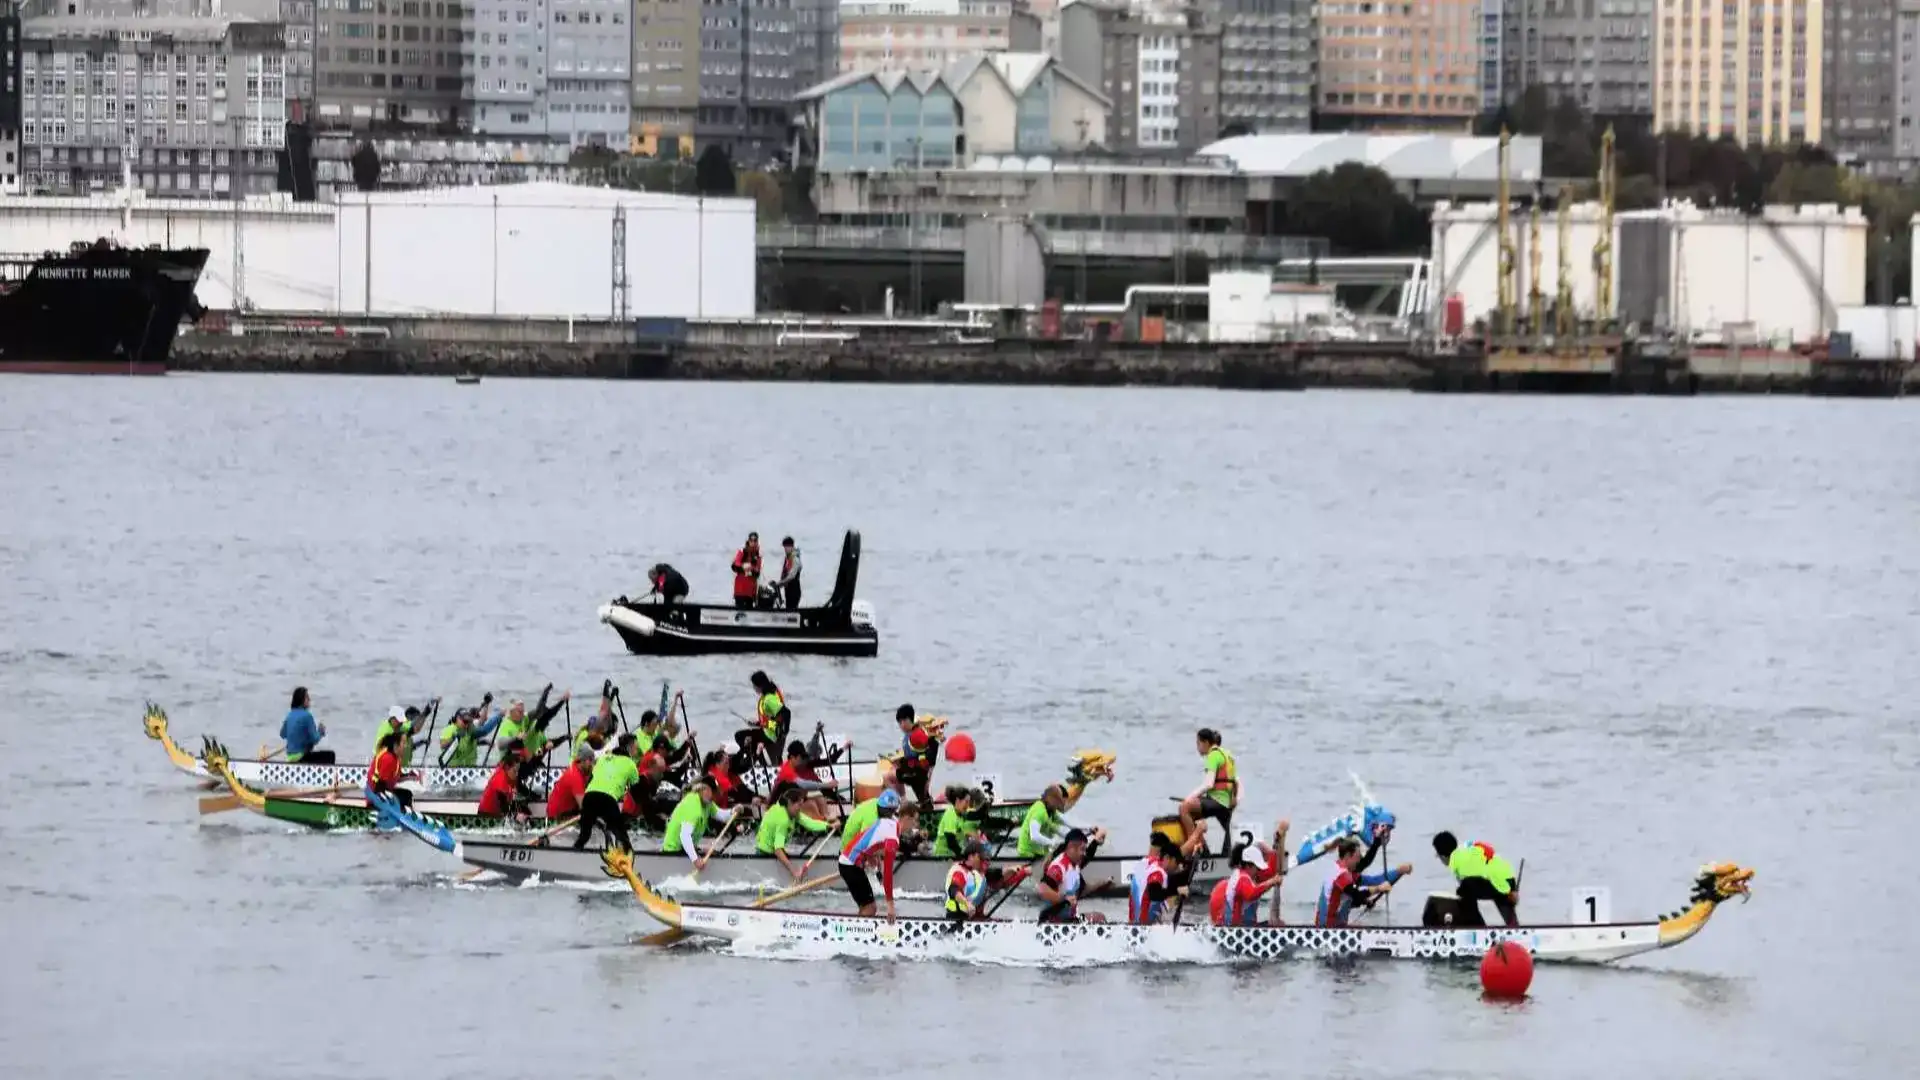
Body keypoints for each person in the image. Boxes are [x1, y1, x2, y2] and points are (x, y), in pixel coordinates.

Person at [1316, 837, 1411, 927]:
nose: (1359, 860)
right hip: (1327, 930)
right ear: (1348, 856)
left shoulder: (1348, 873)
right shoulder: (1340, 874)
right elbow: (1356, 895)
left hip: (1337, 928)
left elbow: (1374, 881)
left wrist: (1399, 871)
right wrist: (1378, 889)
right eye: (1357, 857)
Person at [838, 788, 902, 919]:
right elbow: (888, 873)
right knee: (870, 908)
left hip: (848, 859)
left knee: (866, 906)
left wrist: (870, 858)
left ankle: (858, 929)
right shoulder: (892, 836)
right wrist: (890, 905)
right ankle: (856, 934)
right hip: (849, 864)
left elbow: (868, 844)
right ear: (895, 810)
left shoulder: (889, 822)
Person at [1433, 831, 1519, 927]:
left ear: (1443, 856)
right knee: (1472, 887)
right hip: (1507, 879)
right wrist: (1512, 889)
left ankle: (1477, 927)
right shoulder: (1465, 849)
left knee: (1464, 891)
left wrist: (1510, 892)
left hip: (1500, 883)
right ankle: (1513, 925)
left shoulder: (1458, 861)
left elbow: (1473, 883)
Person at [575, 733, 645, 851]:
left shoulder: (603, 759)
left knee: (584, 836)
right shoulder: (631, 764)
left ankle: (573, 854)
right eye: (635, 748)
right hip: (607, 800)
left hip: (589, 796)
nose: (636, 751)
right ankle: (629, 859)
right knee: (622, 837)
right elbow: (637, 793)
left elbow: (590, 781)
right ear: (629, 747)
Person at [1177, 727, 1238, 858]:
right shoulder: (1227, 754)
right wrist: (1234, 800)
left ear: (1205, 742)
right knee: (1191, 814)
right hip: (1226, 803)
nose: (1197, 747)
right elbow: (1235, 782)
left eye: (1198, 743)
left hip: (1217, 802)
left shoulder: (1212, 756)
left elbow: (1208, 784)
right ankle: (1204, 850)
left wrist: (1189, 798)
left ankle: (1194, 846)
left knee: (1184, 808)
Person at [662, 780, 748, 869]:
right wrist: (695, 860)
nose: (715, 796)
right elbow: (684, 836)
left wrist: (733, 811)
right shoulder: (693, 806)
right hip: (673, 851)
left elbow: (721, 815)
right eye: (713, 792)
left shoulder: (707, 803)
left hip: (685, 849)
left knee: (711, 852)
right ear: (704, 790)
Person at [945, 838, 1030, 924]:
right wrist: (967, 904)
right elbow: (954, 890)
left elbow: (998, 875)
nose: (984, 861)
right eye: (981, 857)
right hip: (958, 920)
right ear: (971, 857)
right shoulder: (960, 871)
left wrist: (1022, 871)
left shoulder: (978, 873)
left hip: (975, 918)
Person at [757, 787, 833, 880]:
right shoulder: (782, 819)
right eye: (799, 805)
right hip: (765, 853)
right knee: (787, 861)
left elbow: (809, 823)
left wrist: (829, 826)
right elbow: (778, 849)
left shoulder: (789, 810)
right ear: (790, 803)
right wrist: (793, 870)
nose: (800, 809)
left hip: (772, 850)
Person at [1037, 828, 1109, 924]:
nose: (1084, 853)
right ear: (1071, 847)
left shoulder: (1074, 863)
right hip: (1055, 924)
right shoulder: (1059, 867)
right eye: (1082, 850)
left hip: (1070, 920)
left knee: (1099, 917)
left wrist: (1096, 842)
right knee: (1099, 919)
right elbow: (1042, 889)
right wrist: (1063, 899)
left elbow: (1086, 858)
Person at [772, 739, 844, 826]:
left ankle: (826, 816)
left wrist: (844, 748)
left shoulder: (804, 763)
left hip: (796, 796)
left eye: (803, 758)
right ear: (792, 758)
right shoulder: (787, 770)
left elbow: (828, 760)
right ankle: (823, 823)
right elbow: (804, 784)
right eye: (801, 758)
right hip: (780, 803)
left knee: (819, 797)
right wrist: (828, 785)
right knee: (811, 804)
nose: (803, 760)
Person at [1211, 843, 1286, 927]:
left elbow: (1270, 873)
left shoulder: (1243, 876)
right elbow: (1251, 894)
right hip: (1233, 931)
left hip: (1239, 927)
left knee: (1275, 924)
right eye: (1257, 868)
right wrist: (1271, 882)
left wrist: (1274, 850)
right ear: (1248, 865)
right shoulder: (1242, 877)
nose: (1258, 871)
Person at [1128, 833, 1188, 924]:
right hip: (1143, 926)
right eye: (1176, 862)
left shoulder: (1151, 861)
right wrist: (1177, 891)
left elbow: (1168, 881)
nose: (1176, 867)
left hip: (1134, 922)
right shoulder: (1158, 872)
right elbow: (1154, 894)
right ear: (1167, 858)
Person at [891, 705, 942, 809]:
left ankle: (903, 803)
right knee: (922, 796)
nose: (901, 726)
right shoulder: (909, 735)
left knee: (889, 776)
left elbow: (929, 754)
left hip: (918, 771)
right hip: (914, 769)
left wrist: (929, 776)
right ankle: (913, 803)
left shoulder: (918, 735)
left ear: (908, 720)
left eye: (902, 722)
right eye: (899, 723)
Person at [735, 671, 787, 770]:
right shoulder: (771, 693)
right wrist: (759, 723)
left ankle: (754, 764)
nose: (754, 688)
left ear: (759, 685)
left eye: (754, 686)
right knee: (742, 736)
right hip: (769, 732)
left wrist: (764, 724)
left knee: (740, 736)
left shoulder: (769, 699)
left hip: (772, 735)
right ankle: (758, 763)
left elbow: (781, 721)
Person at [477, 739, 538, 819]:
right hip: (487, 815)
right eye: (514, 771)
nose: (516, 774)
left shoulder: (512, 774)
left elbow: (513, 800)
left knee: (525, 811)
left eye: (517, 771)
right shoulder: (500, 777)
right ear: (506, 768)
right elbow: (504, 804)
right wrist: (516, 816)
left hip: (498, 812)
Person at [1016, 784, 1078, 859]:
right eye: (1059, 802)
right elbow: (1034, 836)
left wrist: (1088, 829)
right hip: (1027, 854)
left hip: (1039, 853)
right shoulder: (1040, 811)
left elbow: (1068, 824)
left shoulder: (1051, 811)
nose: (1060, 806)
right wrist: (1053, 842)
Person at [365, 731, 420, 812]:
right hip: (375, 797)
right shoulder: (388, 759)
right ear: (396, 745)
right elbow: (379, 785)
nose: (406, 746)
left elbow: (394, 777)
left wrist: (410, 776)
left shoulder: (395, 758)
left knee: (407, 794)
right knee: (405, 796)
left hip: (382, 792)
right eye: (403, 743)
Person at [438, 702, 503, 768]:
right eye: (465, 721)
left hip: (470, 768)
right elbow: (442, 745)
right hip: (453, 769)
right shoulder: (450, 729)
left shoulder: (470, 729)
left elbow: (483, 730)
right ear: (457, 719)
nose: (466, 724)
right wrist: (455, 738)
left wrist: (483, 742)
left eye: (468, 721)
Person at [932, 785, 991, 857]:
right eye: (966, 802)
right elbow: (951, 842)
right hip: (942, 856)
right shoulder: (950, 814)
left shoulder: (962, 814)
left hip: (953, 855)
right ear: (957, 801)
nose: (968, 805)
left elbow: (978, 819)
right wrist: (963, 856)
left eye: (969, 802)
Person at [620, 753, 672, 832]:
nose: (662, 776)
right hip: (627, 820)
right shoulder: (641, 783)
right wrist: (667, 826)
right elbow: (649, 816)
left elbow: (652, 804)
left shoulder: (650, 781)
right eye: (660, 772)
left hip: (638, 814)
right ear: (652, 768)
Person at [373, 702, 434, 768]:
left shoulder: (400, 727)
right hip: (385, 767)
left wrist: (421, 742)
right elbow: (415, 729)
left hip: (402, 768)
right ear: (393, 718)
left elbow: (409, 746)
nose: (402, 723)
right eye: (400, 720)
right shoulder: (386, 731)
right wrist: (426, 711)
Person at [544, 743, 596, 822]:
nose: (592, 765)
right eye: (591, 760)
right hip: (558, 816)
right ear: (583, 760)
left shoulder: (576, 767)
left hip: (565, 811)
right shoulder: (575, 777)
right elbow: (583, 806)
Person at [280, 687, 332, 764]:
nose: (309, 700)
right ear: (301, 700)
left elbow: (282, 734)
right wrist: (321, 732)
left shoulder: (289, 715)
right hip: (301, 758)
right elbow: (315, 739)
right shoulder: (307, 716)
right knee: (330, 755)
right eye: (307, 697)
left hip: (290, 757)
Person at [731, 532, 762, 609]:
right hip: (740, 590)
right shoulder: (742, 552)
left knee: (749, 614)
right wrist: (743, 566)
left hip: (750, 592)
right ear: (748, 541)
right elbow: (734, 566)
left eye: (755, 540)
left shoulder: (758, 556)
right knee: (740, 612)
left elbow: (757, 573)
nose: (753, 542)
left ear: (757, 542)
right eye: (751, 540)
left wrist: (750, 569)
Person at [775, 536, 802, 609]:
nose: (785, 549)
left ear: (792, 546)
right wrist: (779, 585)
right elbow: (784, 573)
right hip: (788, 590)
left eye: (787, 547)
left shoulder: (795, 559)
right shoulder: (787, 559)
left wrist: (780, 583)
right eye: (784, 547)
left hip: (794, 590)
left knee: (791, 610)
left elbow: (792, 576)